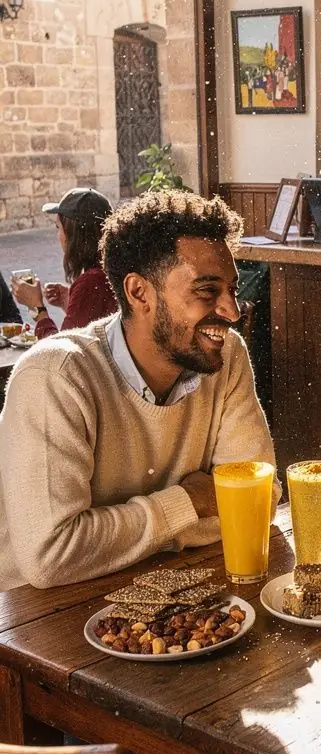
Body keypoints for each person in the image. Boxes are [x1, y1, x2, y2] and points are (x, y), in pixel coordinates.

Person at [0, 189, 278, 590]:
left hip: (168, 596)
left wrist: (109, 540)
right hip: (36, 624)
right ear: (139, 293)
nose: (232, 311)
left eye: (232, 290)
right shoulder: (56, 376)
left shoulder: (225, 356)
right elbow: (50, 557)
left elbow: (258, 500)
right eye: (207, 291)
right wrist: (191, 501)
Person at [10, 187, 117, 340]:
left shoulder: (92, 281)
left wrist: (38, 308)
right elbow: (92, 331)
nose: (57, 235)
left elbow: (62, 354)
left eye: (58, 228)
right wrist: (69, 301)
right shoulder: (110, 270)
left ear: (74, 235)